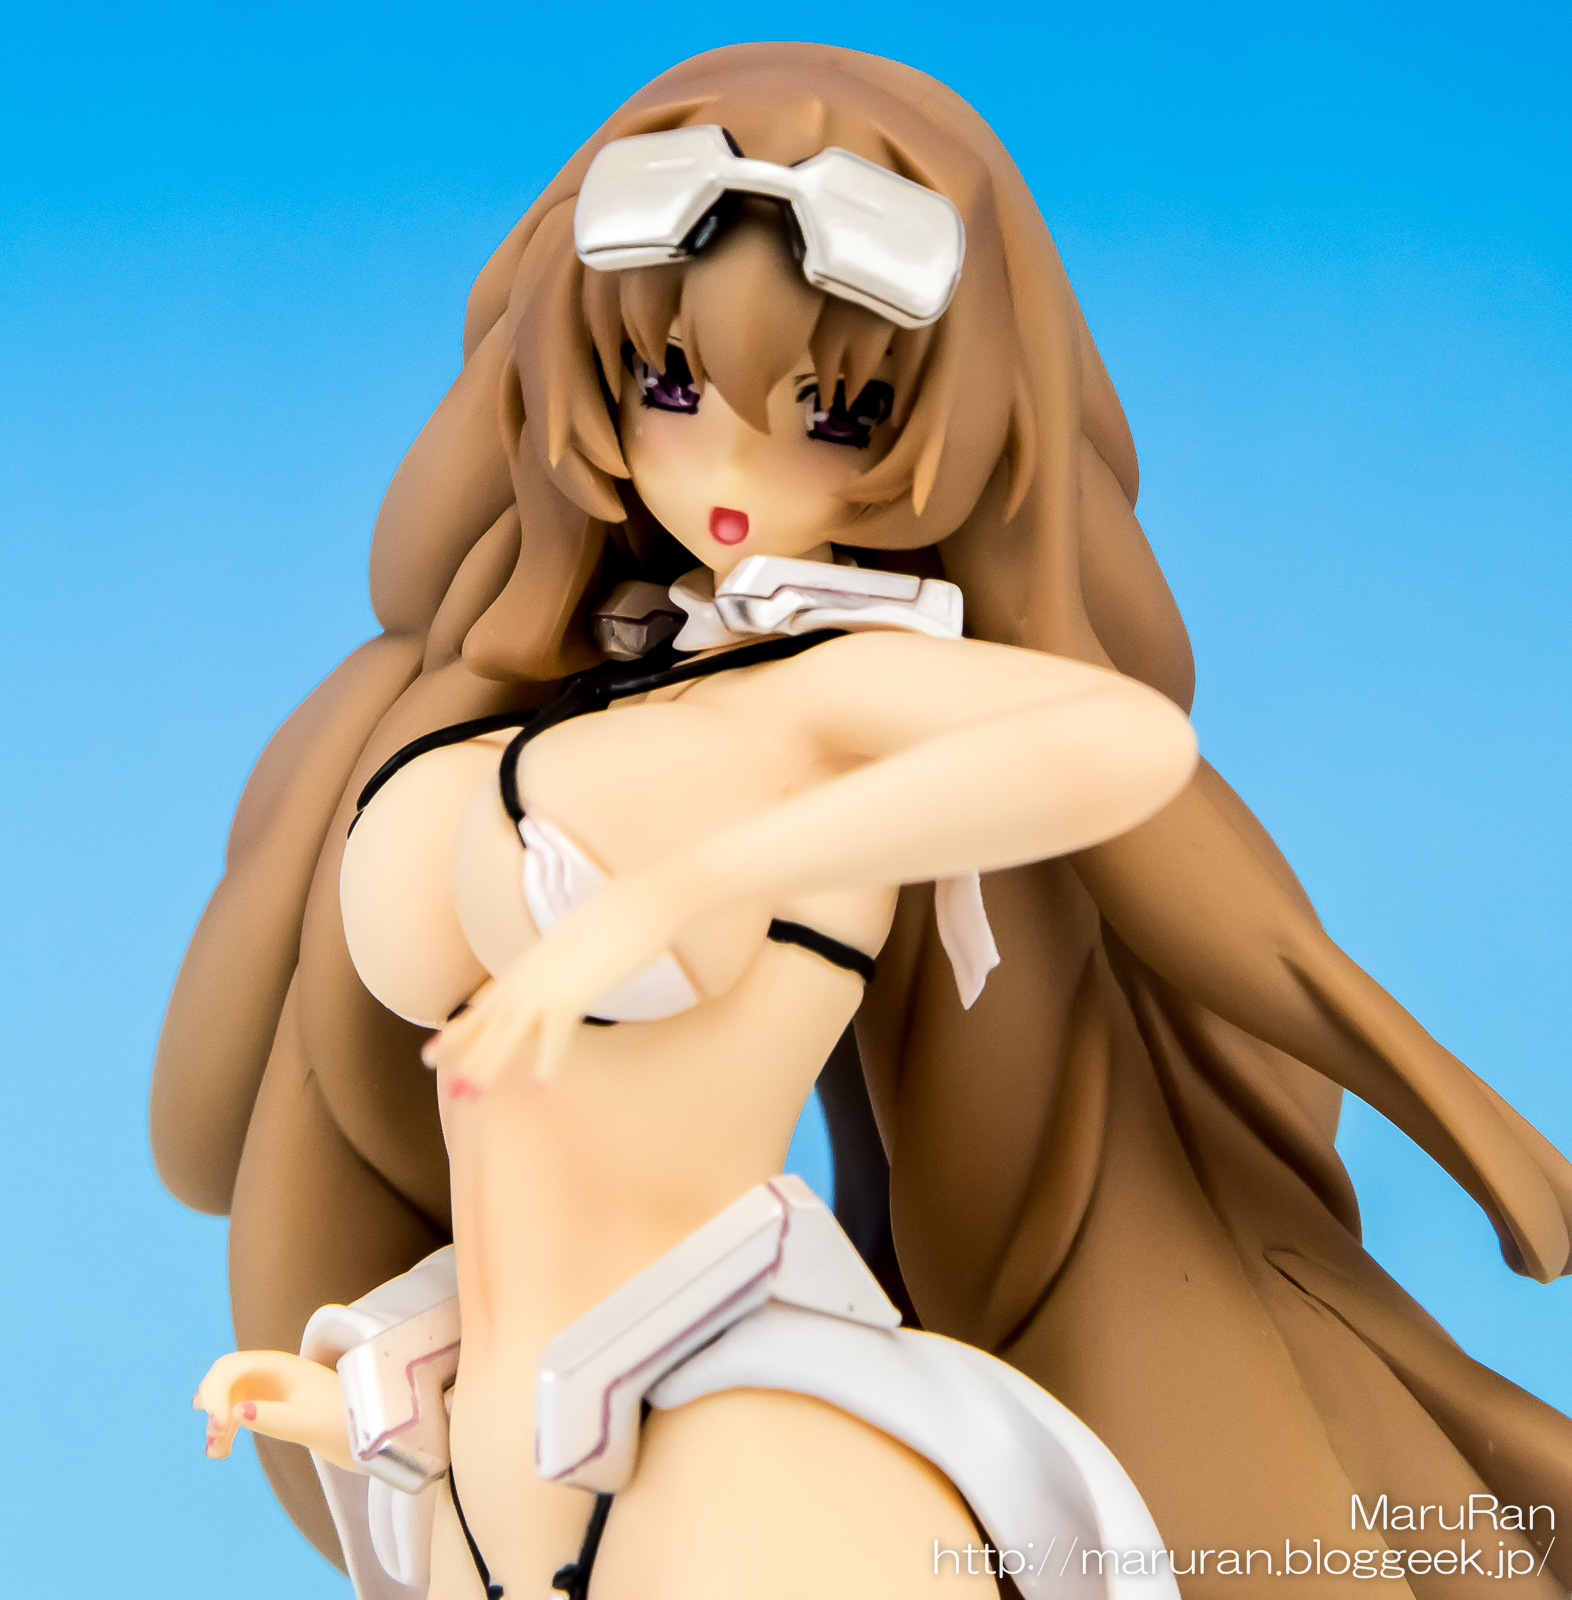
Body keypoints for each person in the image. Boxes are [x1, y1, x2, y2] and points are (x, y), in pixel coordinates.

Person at [158, 42, 1572, 1600]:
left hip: (722, 1434)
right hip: (491, 1433)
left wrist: (693, 884)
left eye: (830, 412)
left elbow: (1122, 746)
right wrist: (367, 1398)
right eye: (671, 388)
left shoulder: (837, 690)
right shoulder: (574, 690)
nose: (727, 468)